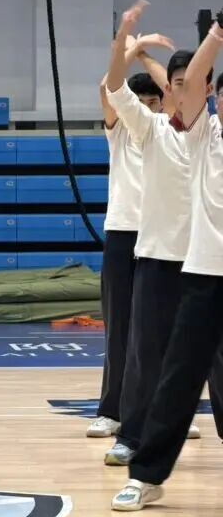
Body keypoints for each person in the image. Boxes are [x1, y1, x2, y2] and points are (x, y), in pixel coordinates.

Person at [113, 7, 223, 510]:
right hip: (205, 274)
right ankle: (147, 475)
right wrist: (217, 32)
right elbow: (192, 80)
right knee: (179, 378)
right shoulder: (203, 135)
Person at [86, 35, 169, 440]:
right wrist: (131, 50)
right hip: (122, 234)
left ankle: (163, 412)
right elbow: (107, 88)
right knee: (119, 328)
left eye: (154, 102)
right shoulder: (119, 129)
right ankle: (112, 411)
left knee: (161, 330)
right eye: (141, 102)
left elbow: (177, 91)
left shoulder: (170, 133)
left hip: (162, 237)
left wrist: (147, 55)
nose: (148, 108)